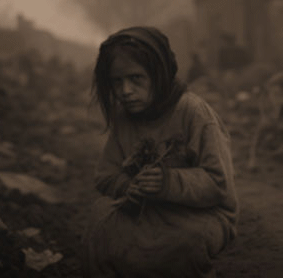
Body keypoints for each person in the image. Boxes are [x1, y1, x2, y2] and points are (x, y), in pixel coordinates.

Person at [82, 26, 238, 278]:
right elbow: (105, 175)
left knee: (183, 245)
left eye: (136, 78)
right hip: (145, 209)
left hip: (200, 214)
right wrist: (127, 186)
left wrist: (168, 182)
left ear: (159, 74)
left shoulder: (193, 112)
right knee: (100, 224)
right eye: (117, 82)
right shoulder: (125, 116)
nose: (125, 91)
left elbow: (218, 184)